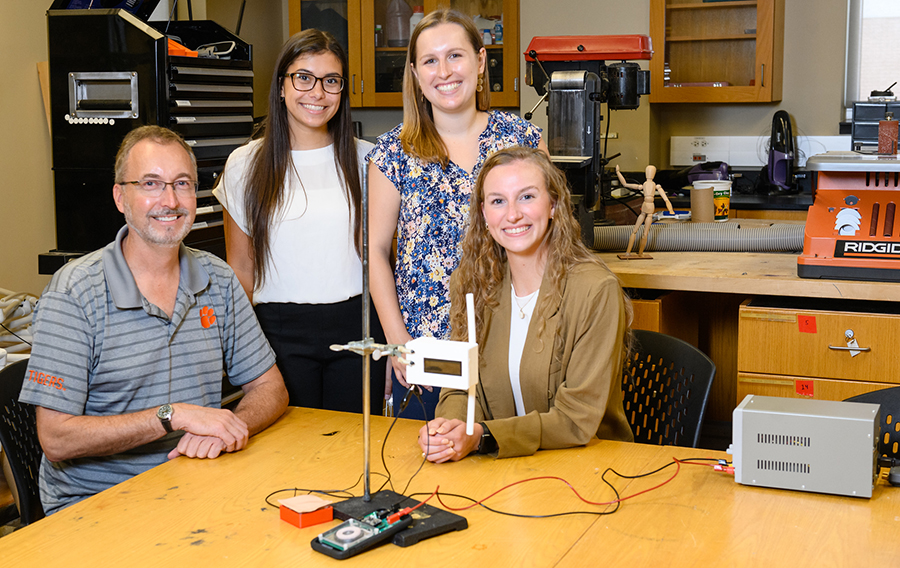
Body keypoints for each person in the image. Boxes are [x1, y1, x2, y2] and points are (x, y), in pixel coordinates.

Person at [19, 125, 289, 515]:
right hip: (97, 506)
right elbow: (56, 438)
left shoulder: (219, 279)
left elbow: (271, 388)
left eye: (182, 184)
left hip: (195, 481)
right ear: (119, 196)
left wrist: (227, 429)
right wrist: (172, 415)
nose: (170, 200)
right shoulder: (74, 292)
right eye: (150, 183)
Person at [368, 9, 547, 420]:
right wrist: (398, 344)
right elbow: (374, 252)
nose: (444, 71)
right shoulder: (393, 153)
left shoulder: (521, 139)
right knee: (425, 473)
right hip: (428, 354)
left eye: (456, 56)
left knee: (517, 470)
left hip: (513, 343)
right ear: (415, 73)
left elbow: (547, 237)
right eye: (430, 60)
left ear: (480, 61)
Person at [417, 146, 634, 462]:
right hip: (504, 468)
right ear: (483, 213)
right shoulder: (473, 285)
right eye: (498, 201)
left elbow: (577, 420)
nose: (513, 214)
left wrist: (482, 436)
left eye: (527, 197)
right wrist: (451, 428)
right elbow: (459, 386)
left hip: (588, 466)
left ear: (553, 205)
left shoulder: (596, 291)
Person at [214, 30, 385, 413]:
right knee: (286, 457)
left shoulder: (369, 161)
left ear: (342, 91)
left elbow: (384, 261)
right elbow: (240, 268)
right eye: (303, 77)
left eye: (331, 81)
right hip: (276, 332)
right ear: (281, 86)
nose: (317, 93)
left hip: (357, 326)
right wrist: (240, 351)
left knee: (351, 453)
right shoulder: (245, 164)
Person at [615, 164, 675, 258]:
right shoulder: (645, 185)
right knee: (636, 230)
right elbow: (625, 184)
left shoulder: (654, 186)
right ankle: (629, 252)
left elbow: (666, 199)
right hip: (646, 207)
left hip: (649, 207)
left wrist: (671, 210)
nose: (649, 174)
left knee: (644, 232)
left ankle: (640, 253)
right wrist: (618, 172)